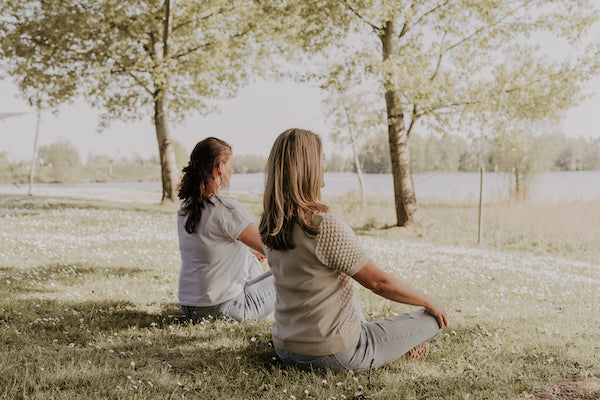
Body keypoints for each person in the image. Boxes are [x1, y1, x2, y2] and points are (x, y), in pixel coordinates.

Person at [259, 128, 449, 372]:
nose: (325, 162)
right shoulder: (321, 225)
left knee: (350, 301)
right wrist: (428, 300)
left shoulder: (268, 223)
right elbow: (378, 283)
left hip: (285, 347)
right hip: (332, 353)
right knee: (433, 320)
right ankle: (393, 354)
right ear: (307, 166)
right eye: (322, 157)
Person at [177, 137, 275, 322]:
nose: (233, 170)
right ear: (220, 167)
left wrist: (250, 251)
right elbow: (272, 249)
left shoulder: (185, 208)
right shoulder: (225, 209)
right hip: (224, 309)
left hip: (190, 308)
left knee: (248, 256)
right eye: (232, 165)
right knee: (295, 271)